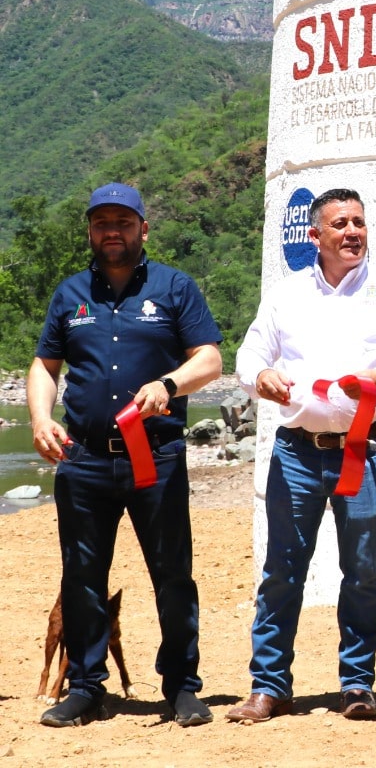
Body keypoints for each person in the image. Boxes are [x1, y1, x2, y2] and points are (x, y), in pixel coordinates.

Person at [227, 188, 376, 723]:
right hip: (296, 454)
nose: (352, 232)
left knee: (362, 571)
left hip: (365, 453)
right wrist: (259, 376)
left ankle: (357, 684)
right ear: (314, 236)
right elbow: (249, 353)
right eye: (340, 223)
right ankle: (270, 685)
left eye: (359, 222)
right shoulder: (286, 294)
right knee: (281, 571)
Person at [30, 183, 223, 727]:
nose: (111, 232)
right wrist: (41, 419)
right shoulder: (70, 294)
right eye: (101, 223)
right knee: (82, 575)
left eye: (123, 222)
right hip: (83, 458)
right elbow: (46, 366)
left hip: (154, 457)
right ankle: (87, 686)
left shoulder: (175, 288)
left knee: (172, 574)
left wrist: (169, 383)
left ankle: (182, 686)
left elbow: (208, 358)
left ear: (143, 228)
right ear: (90, 231)